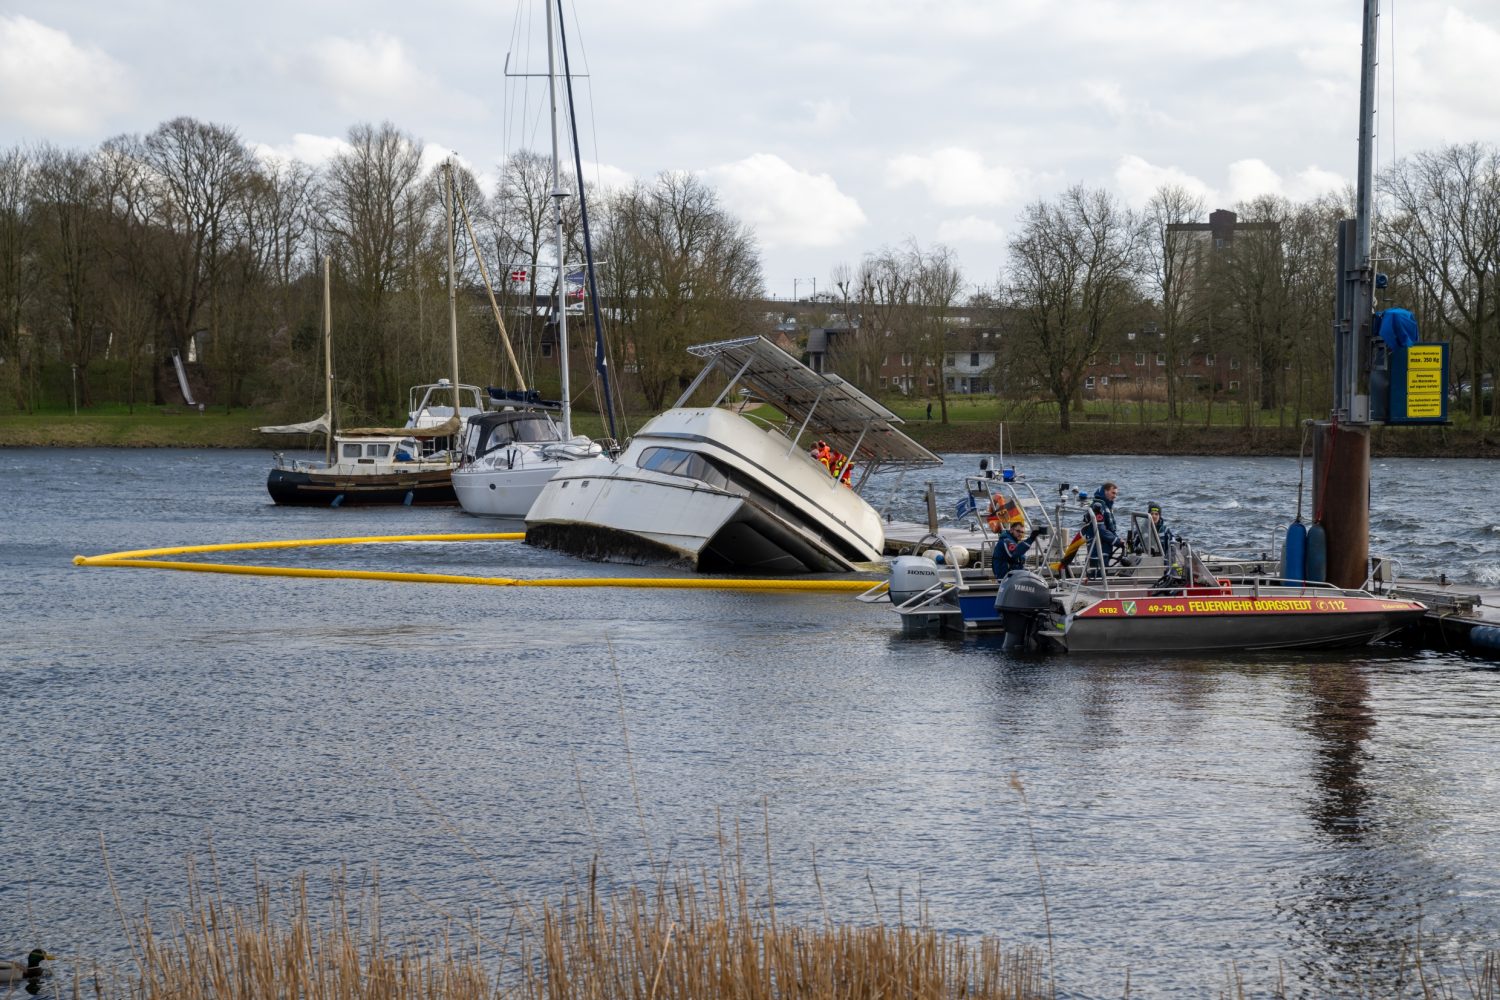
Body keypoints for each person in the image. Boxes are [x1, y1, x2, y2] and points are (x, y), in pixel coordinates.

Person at [1081, 481, 1121, 575]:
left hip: (1104, 548)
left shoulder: (1106, 506)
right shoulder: (1099, 506)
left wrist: (1118, 539)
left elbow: (1110, 528)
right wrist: (1116, 541)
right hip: (1098, 548)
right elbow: (1100, 529)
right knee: (1097, 575)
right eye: (1113, 493)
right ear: (1105, 491)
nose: (1115, 496)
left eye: (1116, 494)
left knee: (1102, 573)